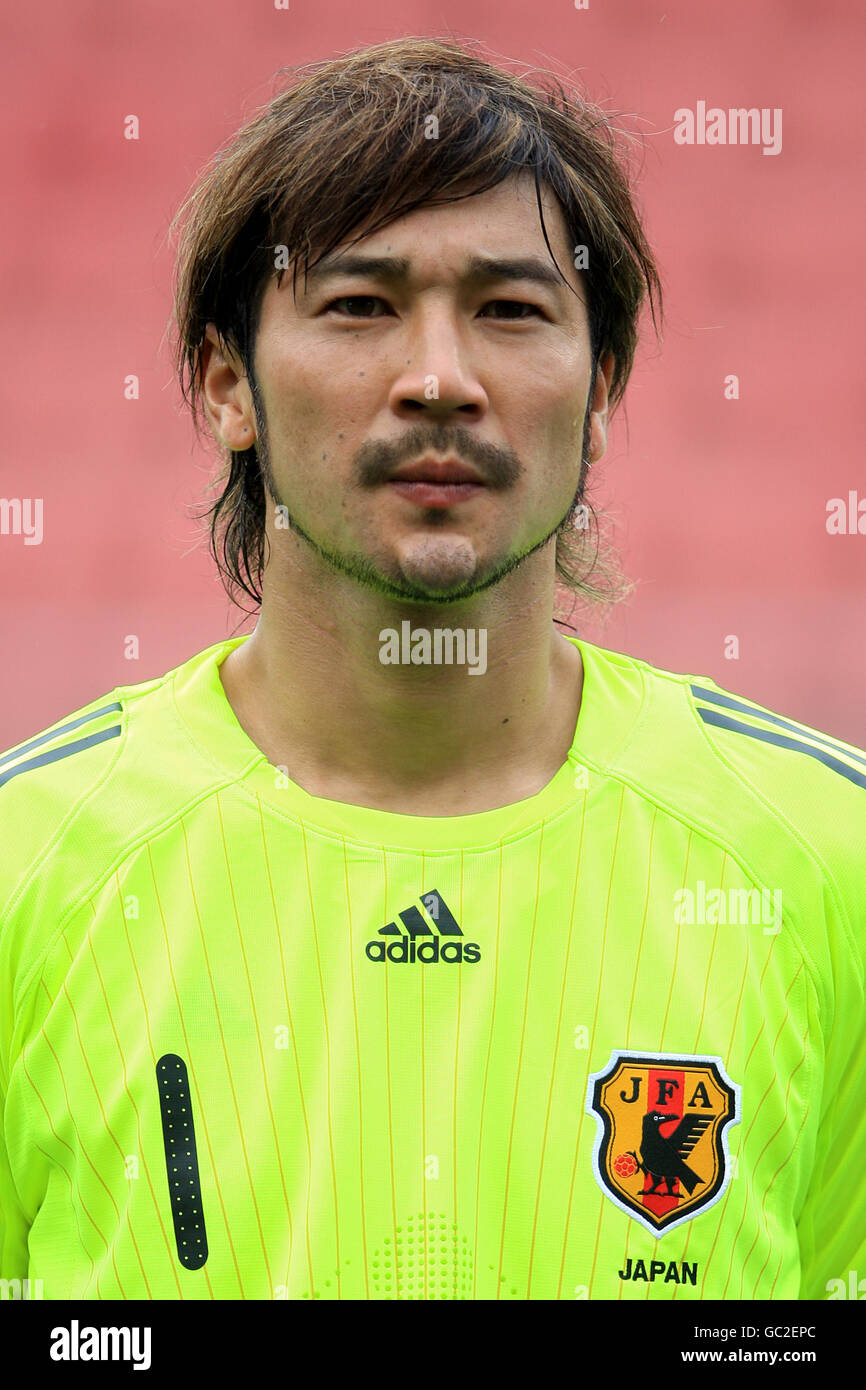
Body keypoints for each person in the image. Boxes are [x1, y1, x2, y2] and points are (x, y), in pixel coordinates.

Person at [0, 36, 863, 1303]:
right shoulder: (32, 863)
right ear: (224, 379)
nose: (439, 380)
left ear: (602, 387)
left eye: (511, 311)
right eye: (359, 305)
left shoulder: (823, 858)